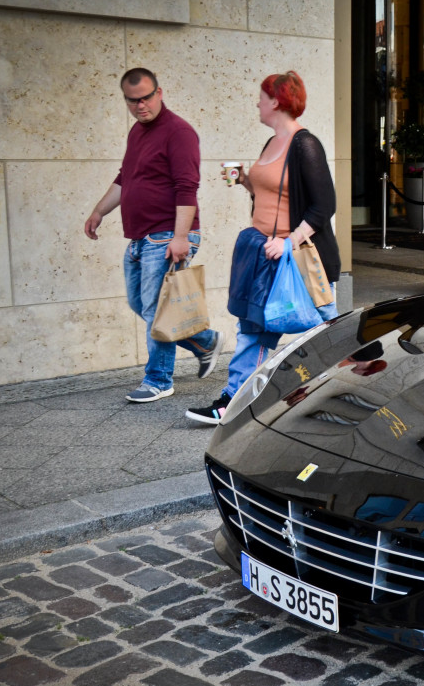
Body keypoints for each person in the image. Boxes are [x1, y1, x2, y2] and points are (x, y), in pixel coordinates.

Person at [186, 71, 340, 425]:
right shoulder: (271, 143)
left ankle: (347, 389)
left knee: (328, 332)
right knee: (253, 327)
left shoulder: (305, 144)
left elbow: (323, 205)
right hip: (265, 253)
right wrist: (244, 180)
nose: (256, 102)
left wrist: (289, 241)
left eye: (261, 97)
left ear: (276, 100)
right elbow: (270, 197)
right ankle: (234, 400)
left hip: (300, 259)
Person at [84, 68, 224, 403]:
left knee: (155, 309)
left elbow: (187, 187)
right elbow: (125, 177)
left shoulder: (179, 132)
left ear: (159, 93)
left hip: (167, 235)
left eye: (146, 98)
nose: (140, 105)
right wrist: (99, 211)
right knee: (141, 303)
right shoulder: (138, 132)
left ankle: (159, 380)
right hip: (140, 237)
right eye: (132, 100)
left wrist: (180, 237)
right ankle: (205, 341)